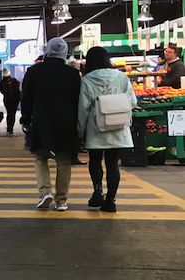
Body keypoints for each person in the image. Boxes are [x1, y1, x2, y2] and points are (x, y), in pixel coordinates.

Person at [21, 37, 81, 210]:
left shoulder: (34, 71)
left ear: (47, 51)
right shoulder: (72, 73)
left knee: (41, 156)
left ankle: (45, 191)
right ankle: (61, 201)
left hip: (41, 119)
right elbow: (78, 100)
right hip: (66, 121)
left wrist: (25, 119)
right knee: (63, 159)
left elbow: (26, 98)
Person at [77, 46, 137, 213]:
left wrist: (79, 131)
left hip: (96, 128)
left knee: (95, 160)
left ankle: (98, 191)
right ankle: (111, 200)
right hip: (118, 126)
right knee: (113, 164)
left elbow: (83, 108)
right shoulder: (121, 77)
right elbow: (132, 101)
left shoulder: (87, 80)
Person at [0, 68, 21, 134]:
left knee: (9, 113)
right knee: (13, 114)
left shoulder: (1, 82)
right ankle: (11, 128)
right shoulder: (14, 80)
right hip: (15, 99)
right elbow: (20, 88)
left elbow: (2, 91)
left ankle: (9, 127)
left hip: (7, 99)